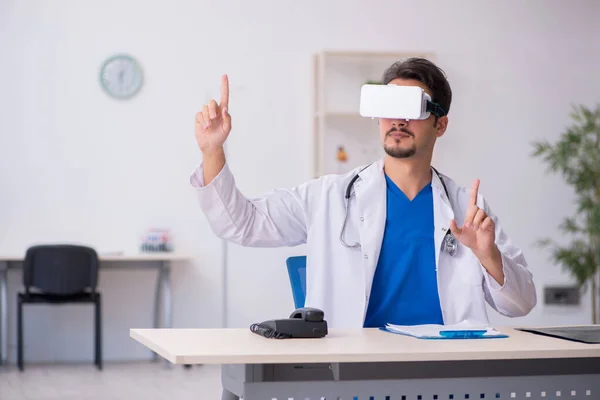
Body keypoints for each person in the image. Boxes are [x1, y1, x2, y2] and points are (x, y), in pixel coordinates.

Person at [190, 58, 537, 330]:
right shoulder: (328, 197)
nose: (398, 120)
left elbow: (520, 303)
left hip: (446, 370)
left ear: (440, 124)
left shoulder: (467, 209)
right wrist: (212, 151)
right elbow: (241, 225)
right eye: (389, 105)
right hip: (355, 371)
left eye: (412, 108)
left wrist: (488, 255)